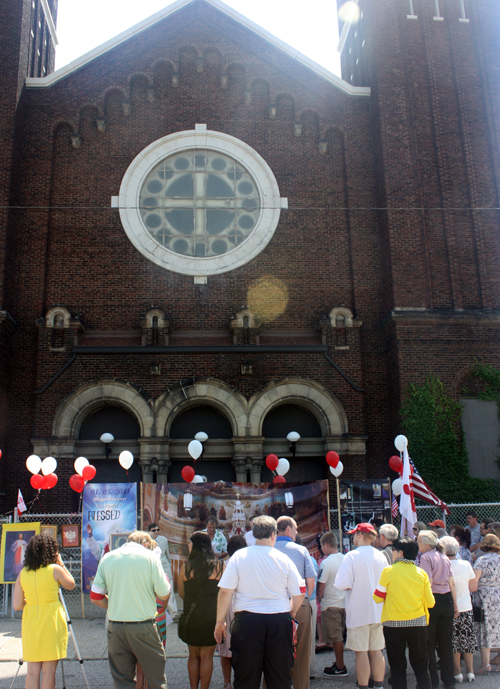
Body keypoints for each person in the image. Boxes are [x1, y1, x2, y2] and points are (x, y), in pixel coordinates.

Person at [214, 515, 305, 689]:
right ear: (274, 535)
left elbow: (225, 591)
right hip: (279, 620)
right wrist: (292, 611)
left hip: (247, 622)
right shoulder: (283, 559)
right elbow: (300, 592)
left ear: (254, 534)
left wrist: (220, 622)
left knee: (246, 679)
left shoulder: (239, 557)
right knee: (280, 679)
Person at [90, 530, 170, 689]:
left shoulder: (108, 558)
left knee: (122, 680)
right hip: (143, 625)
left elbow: (95, 596)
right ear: (146, 544)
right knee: (155, 678)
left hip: (116, 627)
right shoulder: (150, 558)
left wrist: (113, 604)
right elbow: (164, 592)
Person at [13, 533, 76, 689]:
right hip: (51, 620)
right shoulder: (54, 569)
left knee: (32, 672)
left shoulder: (23, 573)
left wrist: (30, 601)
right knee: (48, 672)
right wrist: (61, 563)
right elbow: (71, 585)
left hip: (31, 621)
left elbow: (16, 605)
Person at [373, 537, 434, 689]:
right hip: (418, 624)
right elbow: (431, 602)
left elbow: (377, 597)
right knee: (420, 664)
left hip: (393, 624)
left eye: (393, 550)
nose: (392, 552)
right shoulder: (421, 573)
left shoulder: (389, 571)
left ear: (400, 553)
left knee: (397, 665)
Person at [334, 523, 387, 689]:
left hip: (358, 611)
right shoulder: (381, 556)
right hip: (378, 610)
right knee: (377, 650)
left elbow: (342, 584)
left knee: (361, 652)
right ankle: (379, 685)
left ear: (358, 535)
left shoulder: (351, 556)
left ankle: (363, 686)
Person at [178, 531, 223, 689]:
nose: (188, 546)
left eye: (190, 543)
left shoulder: (186, 567)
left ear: (196, 545)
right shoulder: (219, 566)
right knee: (207, 657)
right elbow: (223, 593)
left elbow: (182, 593)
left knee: (193, 656)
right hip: (212, 617)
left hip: (192, 617)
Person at [274, 516, 316, 689]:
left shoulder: (267, 550)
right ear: (288, 530)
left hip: (272, 607)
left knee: (273, 656)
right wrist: (302, 601)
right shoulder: (301, 550)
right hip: (299, 604)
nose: (297, 532)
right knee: (301, 655)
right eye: (296, 528)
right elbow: (310, 583)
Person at [417, 530, 458, 689]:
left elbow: (427, 582)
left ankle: (433, 681)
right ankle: (449, 681)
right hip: (447, 600)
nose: (418, 545)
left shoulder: (426, 558)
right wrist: (455, 605)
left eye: (420, 542)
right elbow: (452, 583)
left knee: (430, 644)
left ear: (427, 544)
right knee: (446, 643)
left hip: (432, 601)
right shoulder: (444, 557)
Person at [440, 536, 477, 683]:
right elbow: (473, 587)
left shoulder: (442, 566)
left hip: (450, 608)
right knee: (467, 641)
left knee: (453, 642)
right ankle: (471, 671)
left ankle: (457, 672)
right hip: (466, 607)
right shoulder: (466, 564)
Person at [217, 535, 247, 689]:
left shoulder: (224, 564)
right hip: (243, 606)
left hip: (227, 607)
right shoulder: (248, 564)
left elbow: (221, 590)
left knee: (225, 648)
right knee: (244, 648)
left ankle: (227, 682)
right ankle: (241, 680)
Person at [317, 531, 347, 677]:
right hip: (345, 602)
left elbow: (321, 586)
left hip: (331, 603)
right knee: (340, 635)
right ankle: (339, 662)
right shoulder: (346, 558)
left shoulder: (326, 562)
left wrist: (319, 598)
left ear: (326, 545)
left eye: (322, 545)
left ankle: (341, 666)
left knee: (336, 638)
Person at [473, 533, 500, 675]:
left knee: (484, 630)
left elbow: (475, 580)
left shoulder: (481, 560)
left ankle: (485, 664)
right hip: (499, 595)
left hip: (484, 597)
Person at [148, 522, 179, 620]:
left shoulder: (164, 540)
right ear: (149, 532)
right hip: (151, 569)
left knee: (170, 591)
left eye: (157, 530)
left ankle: (174, 614)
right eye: (153, 530)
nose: (156, 532)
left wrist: (168, 566)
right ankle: (152, 614)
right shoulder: (146, 541)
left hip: (165, 568)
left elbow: (167, 556)